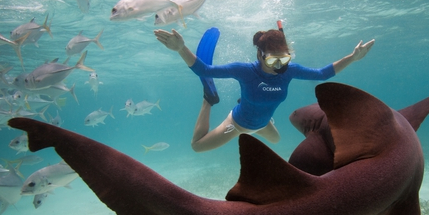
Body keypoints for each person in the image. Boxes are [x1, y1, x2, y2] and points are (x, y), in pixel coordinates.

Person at [154, 27, 374, 152]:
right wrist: (181, 48)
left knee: (277, 141)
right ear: (259, 55)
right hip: (238, 125)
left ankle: (260, 119)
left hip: (262, 123)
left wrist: (353, 58)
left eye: (284, 59)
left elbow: (322, 74)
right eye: (272, 60)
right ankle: (208, 100)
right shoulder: (244, 71)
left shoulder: (289, 71)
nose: (278, 66)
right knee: (198, 147)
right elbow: (204, 69)